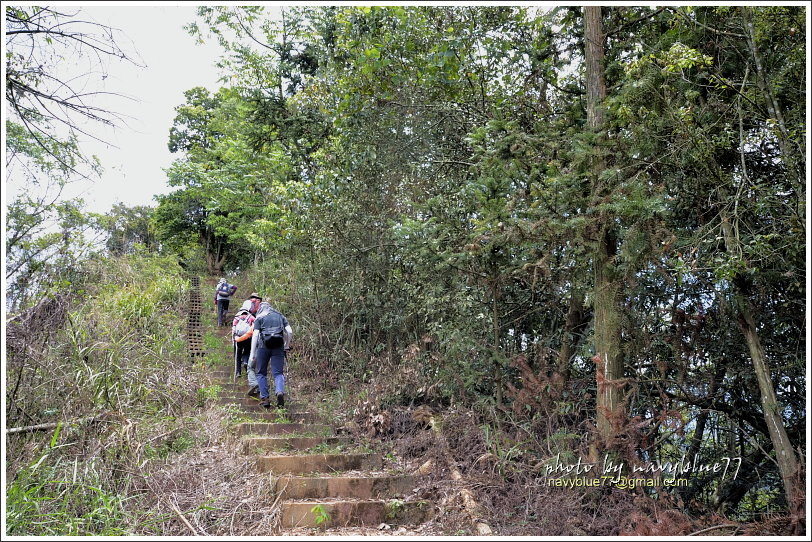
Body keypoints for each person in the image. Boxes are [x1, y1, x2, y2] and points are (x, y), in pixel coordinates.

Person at [249, 301, 293, 408]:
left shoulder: (259, 317)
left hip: (263, 347)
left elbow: (255, 335)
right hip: (278, 347)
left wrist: (252, 353)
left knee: (261, 373)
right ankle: (279, 392)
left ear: (261, 308)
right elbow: (289, 331)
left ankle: (265, 399)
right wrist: (286, 345)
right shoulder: (280, 316)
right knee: (278, 373)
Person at [231, 305, 255, 378]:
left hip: (239, 337)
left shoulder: (237, 317)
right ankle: (245, 361)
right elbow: (256, 323)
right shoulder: (250, 317)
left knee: (238, 354)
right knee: (247, 351)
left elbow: (233, 328)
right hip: (248, 337)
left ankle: (238, 372)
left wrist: (233, 338)